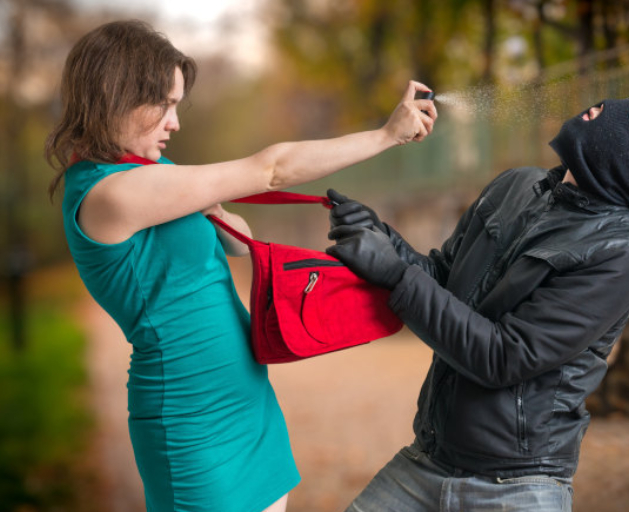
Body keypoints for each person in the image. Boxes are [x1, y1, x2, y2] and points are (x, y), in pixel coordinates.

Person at [44, 20, 436, 512]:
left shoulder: (151, 173)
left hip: (247, 403)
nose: (175, 123)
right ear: (115, 94)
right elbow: (270, 169)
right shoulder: (110, 193)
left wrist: (218, 213)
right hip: (192, 420)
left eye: (177, 105)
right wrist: (385, 136)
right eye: (163, 104)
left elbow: (237, 241)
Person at [325, 94, 629, 512]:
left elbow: (503, 357)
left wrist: (395, 273)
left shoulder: (619, 253)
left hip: (516, 487)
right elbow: (442, 280)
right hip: (428, 458)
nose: (607, 105)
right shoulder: (515, 186)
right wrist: (382, 238)